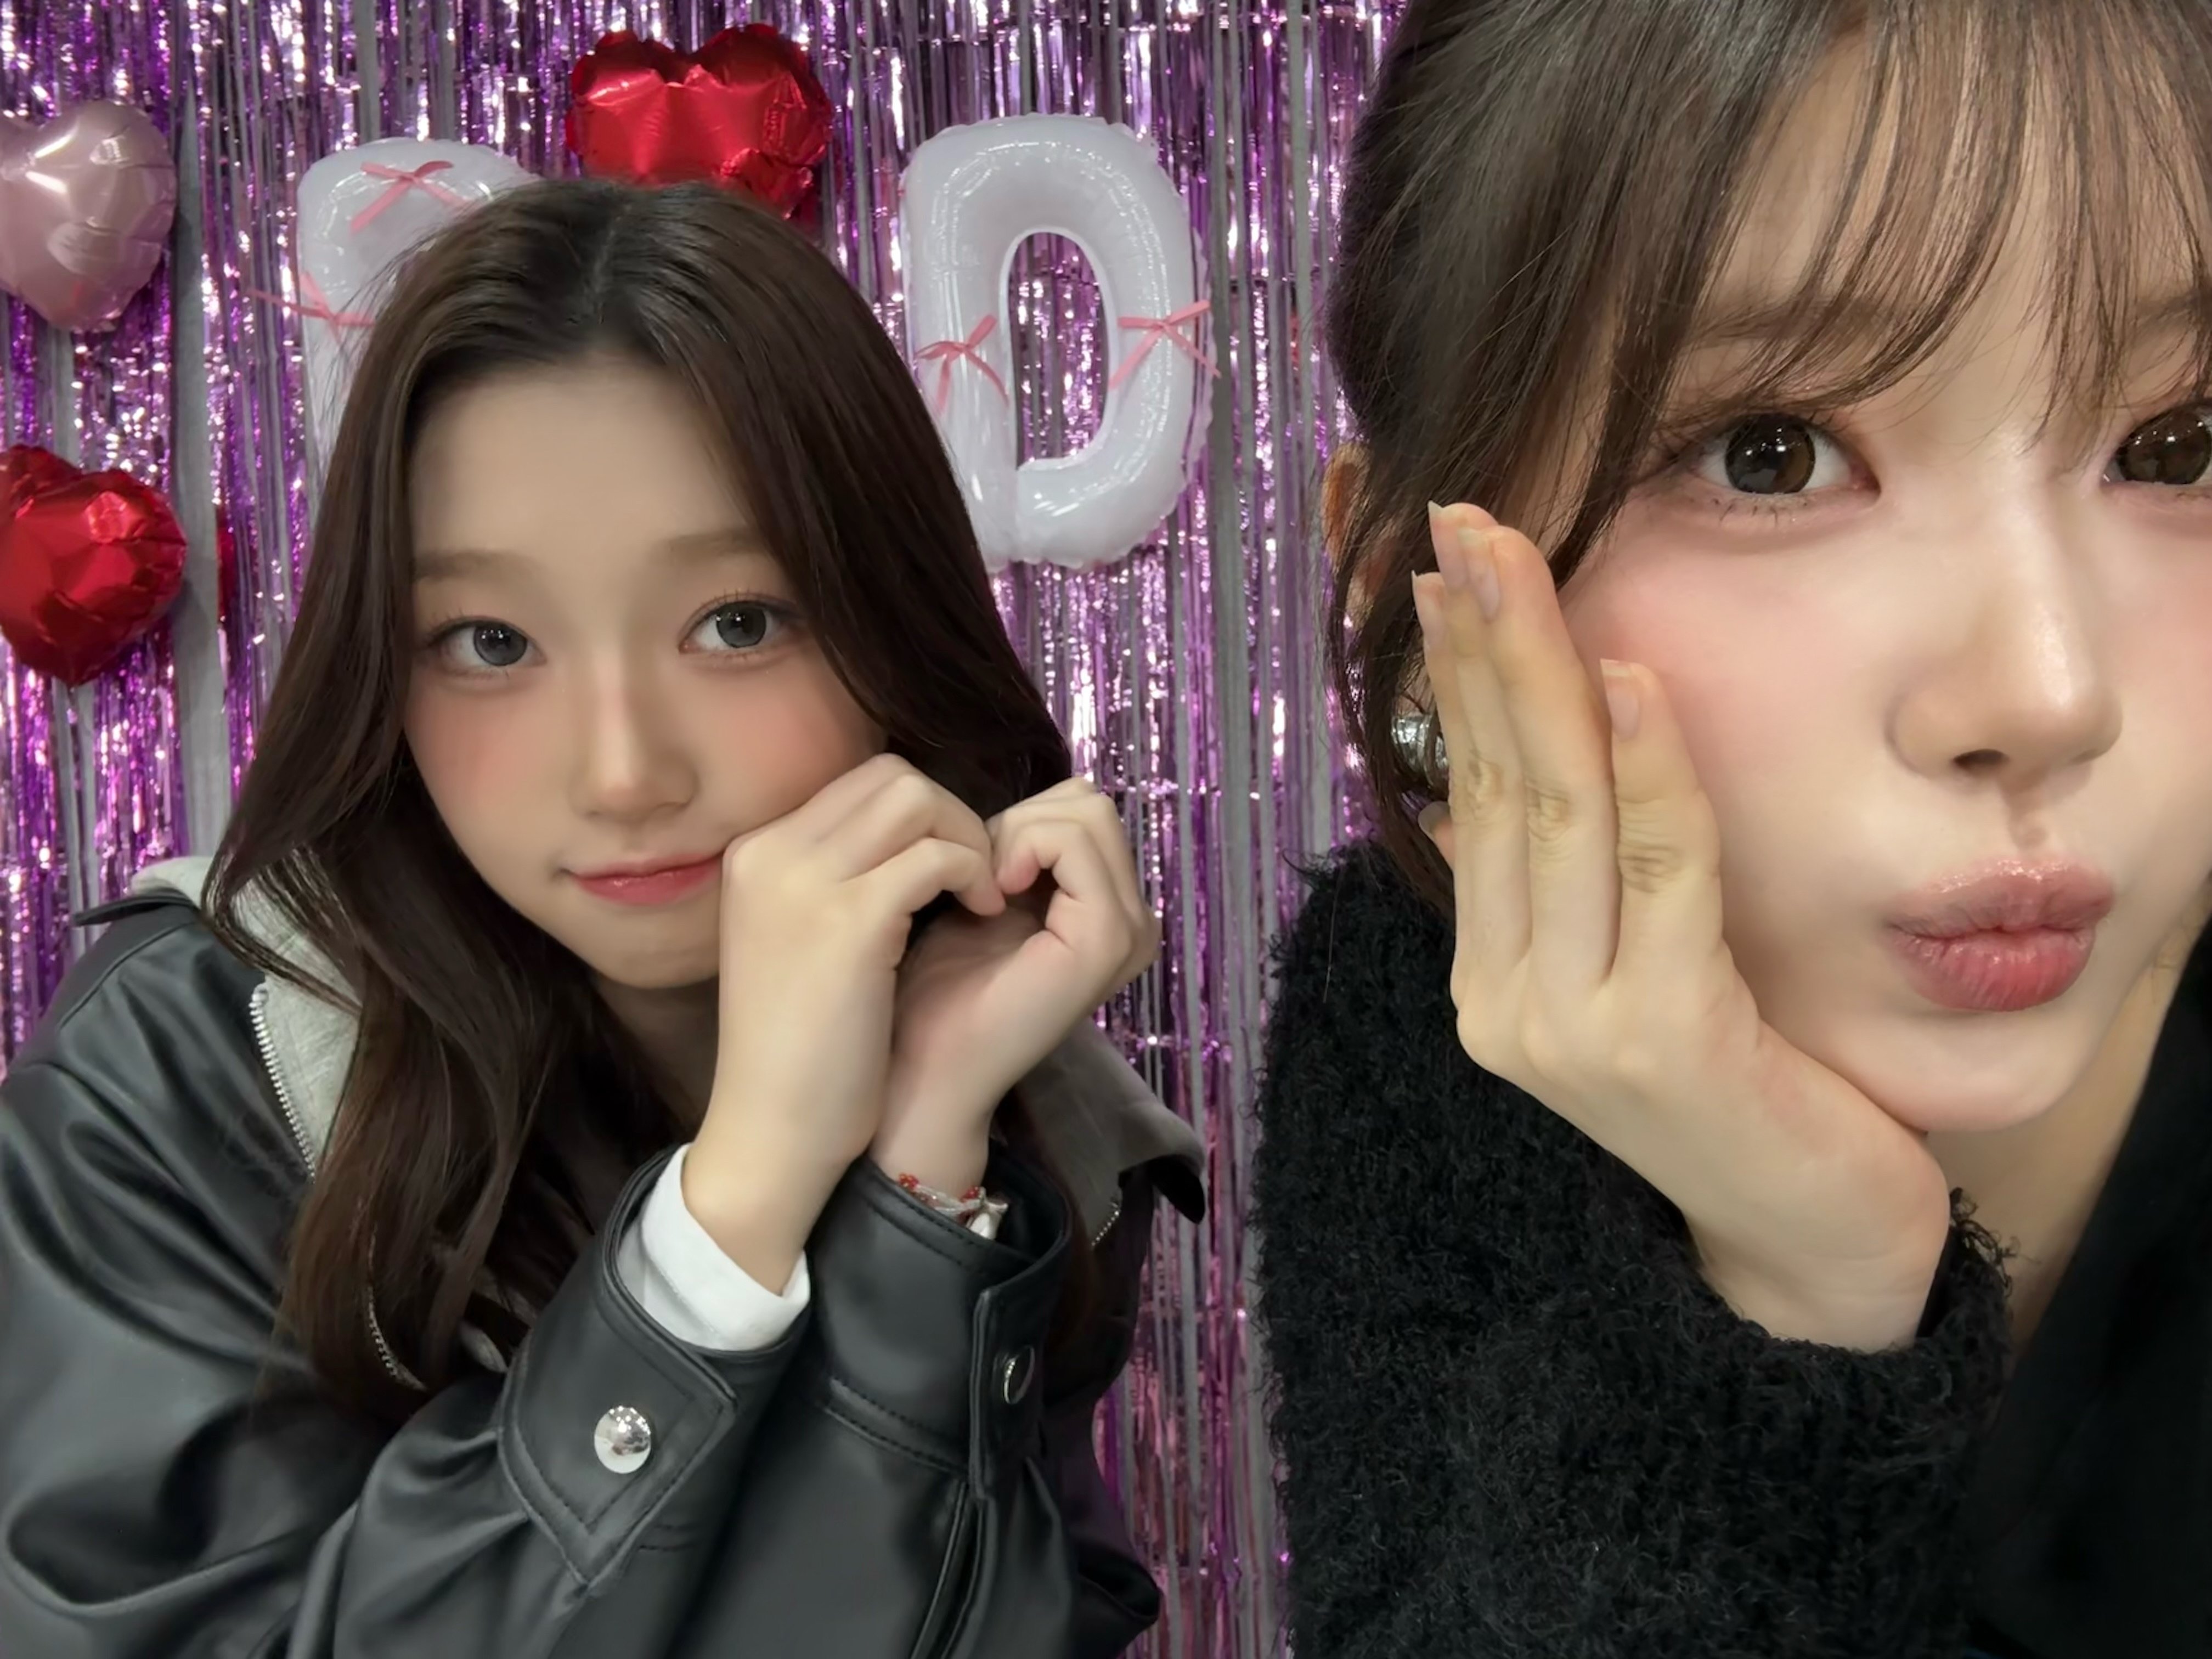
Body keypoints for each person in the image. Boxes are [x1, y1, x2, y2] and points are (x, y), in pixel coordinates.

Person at [0, 177, 1203, 1658]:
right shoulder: (193, 1066)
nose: (624, 773)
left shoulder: (1010, 1080)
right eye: (492, 642)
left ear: (892, 630)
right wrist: (728, 1217)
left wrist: (915, 1187)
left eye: (737, 624)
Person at [1254, 2, 2212, 1655]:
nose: (2048, 692)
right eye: (1773, 457)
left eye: (2179, 444)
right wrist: (1806, 1294)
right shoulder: (1424, 1018)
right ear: (1417, 592)